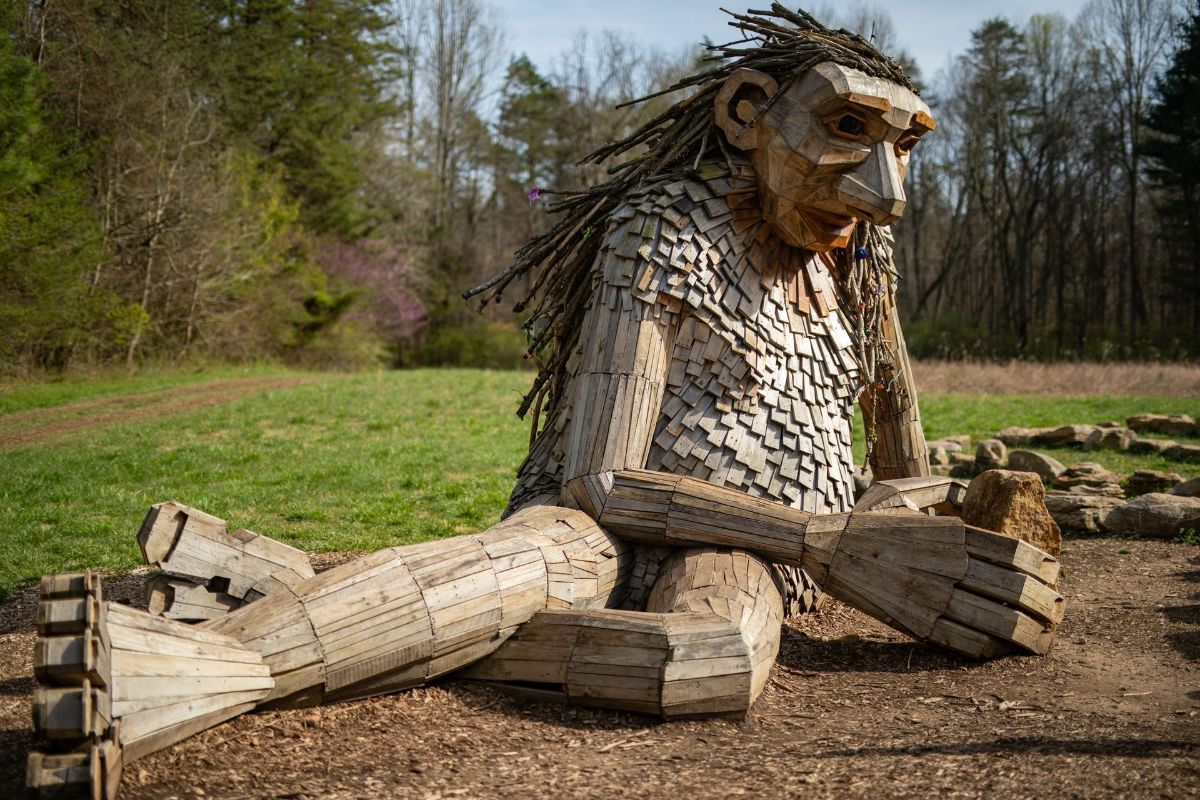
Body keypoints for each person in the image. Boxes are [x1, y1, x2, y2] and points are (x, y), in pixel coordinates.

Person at [26, 8, 1062, 798]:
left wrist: (929, 541)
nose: (885, 189)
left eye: (904, 148)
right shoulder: (664, 230)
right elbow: (601, 474)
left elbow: (902, 473)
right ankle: (208, 666)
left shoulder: (860, 274)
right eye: (845, 130)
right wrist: (826, 536)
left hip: (750, 555)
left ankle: (350, 605)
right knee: (523, 561)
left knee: (710, 658)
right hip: (604, 520)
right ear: (748, 113)